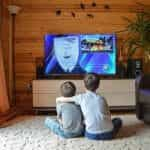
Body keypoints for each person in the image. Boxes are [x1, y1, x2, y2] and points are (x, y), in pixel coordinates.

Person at [57, 73, 122, 140]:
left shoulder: (81, 98)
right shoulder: (102, 98)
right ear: (98, 85)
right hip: (108, 134)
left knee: (85, 124)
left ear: (84, 85)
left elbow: (66, 99)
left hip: (91, 135)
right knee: (118, 120)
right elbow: (108, 115)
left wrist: (58, 99)